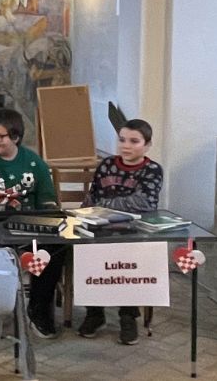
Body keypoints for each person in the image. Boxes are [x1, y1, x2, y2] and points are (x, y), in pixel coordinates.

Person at [0, 108, 63, 339]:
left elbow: (47, 198)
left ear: (15, 137)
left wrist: (48, 211)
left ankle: (38, 309)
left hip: (26, 228)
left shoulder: (34, 162)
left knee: (55, 248)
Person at [76, 119, 163, 345]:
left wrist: (106, 205)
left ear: (147, 145)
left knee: (129, 256)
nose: (126, 145)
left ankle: (128, 315)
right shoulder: (106, 164)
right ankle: (95, 313)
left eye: (134, 141)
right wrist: (84, 214)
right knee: (86, 249)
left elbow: (145, 202)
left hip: (133, 230)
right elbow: (93, 197)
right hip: (101, 226)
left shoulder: (152, 170)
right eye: (122, 140)